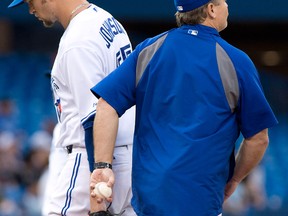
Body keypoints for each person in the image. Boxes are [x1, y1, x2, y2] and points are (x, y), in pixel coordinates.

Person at [89, 0, 278, 215]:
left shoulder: (149, 50)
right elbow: (259, 138)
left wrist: (103, 166)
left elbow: (106, 105)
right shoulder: (236, 61)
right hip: (201, 199)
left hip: (150, 199)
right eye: (223, 1)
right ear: (211, 9)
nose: (227, 5)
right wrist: (234, 180)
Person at [8, 0, 136, 215]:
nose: (30, 9)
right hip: (128, 156)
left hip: (93, 158)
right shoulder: (106, 19)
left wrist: (98, 176)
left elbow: (93, 117)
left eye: (30, 2)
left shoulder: (77, 41)